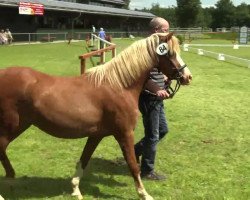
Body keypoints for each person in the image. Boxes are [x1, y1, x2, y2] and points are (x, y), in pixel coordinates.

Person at [134, 17, 170, 181]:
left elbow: (156, 69)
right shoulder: (144, 49)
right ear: (155, 30)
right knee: (153, 134)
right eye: (165, 30)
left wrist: (164, 77)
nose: (167, 33)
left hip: (157, 96)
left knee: (162, 130)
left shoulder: (159, 48)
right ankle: (147, 171)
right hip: (148, 97)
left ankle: (135, 151)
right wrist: (156, 88)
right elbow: (141, 75)